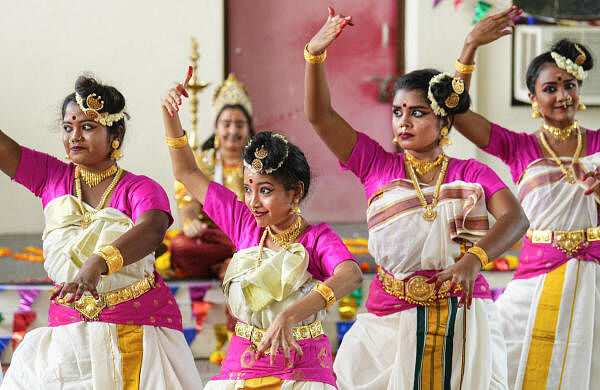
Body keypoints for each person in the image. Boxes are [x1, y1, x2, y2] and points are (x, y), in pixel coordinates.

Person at [304, 7, 529, 389]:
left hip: (462, 315)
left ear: (444, 121)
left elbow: (516, 220)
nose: (403, 121)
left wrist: (475, 259)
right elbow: (321, 116)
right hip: (388, 317)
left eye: (418, 113)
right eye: (397, 112)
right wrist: (314, 55)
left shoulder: (471, 173)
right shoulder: (374, 163)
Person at [161, 67, 363, 389]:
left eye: (265, 190)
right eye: (248, 188)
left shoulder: (314, 238)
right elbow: (187, 172)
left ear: (295, 192)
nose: (253, 200)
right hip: (244, 362)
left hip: (301, 366)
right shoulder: (244, 223)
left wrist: (290, 315)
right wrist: (170, 115)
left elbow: (350, 274)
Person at [0, 76, 201, 389]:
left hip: (136, 334)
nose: (74, 137)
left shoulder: (139, 187)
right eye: (68, 127)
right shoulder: (51, 177)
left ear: (115, 133)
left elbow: (152, 228)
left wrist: (97, 263)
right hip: (67, 339)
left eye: (88, 127)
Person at [452, 7, 599, 389]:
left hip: (595, 276)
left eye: (569, 85)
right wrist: (470, 46)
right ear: (533, 97)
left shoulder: (599, 142)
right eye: (550, 88)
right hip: (537, 273)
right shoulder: (518, 147)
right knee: (506, 355)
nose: (562, 95)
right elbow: (455, 112)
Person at [171, 73, 254, 279]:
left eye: (239, 125)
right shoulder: (201, 162)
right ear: (216, 128)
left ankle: (231, 262)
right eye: (226, 124)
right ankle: (230, 262)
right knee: (180, 246)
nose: (232, 131)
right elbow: (187, 203)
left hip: (253, 234)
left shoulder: (259, 163)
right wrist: (190, 223)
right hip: (214, 239)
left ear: (249, 129)